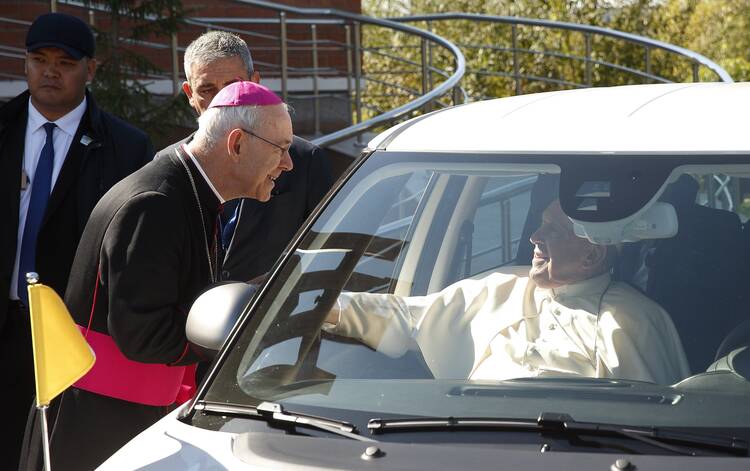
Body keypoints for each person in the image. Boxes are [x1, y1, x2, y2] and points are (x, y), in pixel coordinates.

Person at [22, 81, 293, 470]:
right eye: (281, 149)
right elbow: (144, 335)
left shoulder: (188, 190)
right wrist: (242, 323)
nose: (288, 164)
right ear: (236, 145)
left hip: (130, 412)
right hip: (98, 425)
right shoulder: (156, 205)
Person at [0, 13, 153, 470]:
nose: (50, 71)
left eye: (65, 62)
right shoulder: (3, 129)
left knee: (59, 452)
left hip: (74, 334)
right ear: (24, 64)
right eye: (38, 59)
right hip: (6, 323)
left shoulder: (125, 148)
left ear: (91, 69)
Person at [324, 200, 691, 385]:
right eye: (539, 226)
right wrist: (326, 306)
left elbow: (656, 423)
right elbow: (409, 316)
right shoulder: (500, 285)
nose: (534, 238)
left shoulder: (634, 320)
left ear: (592, 253)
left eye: (553, 231)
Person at [156, 30, 333, 282]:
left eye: (232, 86)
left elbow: (327, 260)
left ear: (256, 83)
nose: (221, 100)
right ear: (189, 94)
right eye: (207, 89)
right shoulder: (166, 168)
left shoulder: (304, 162)